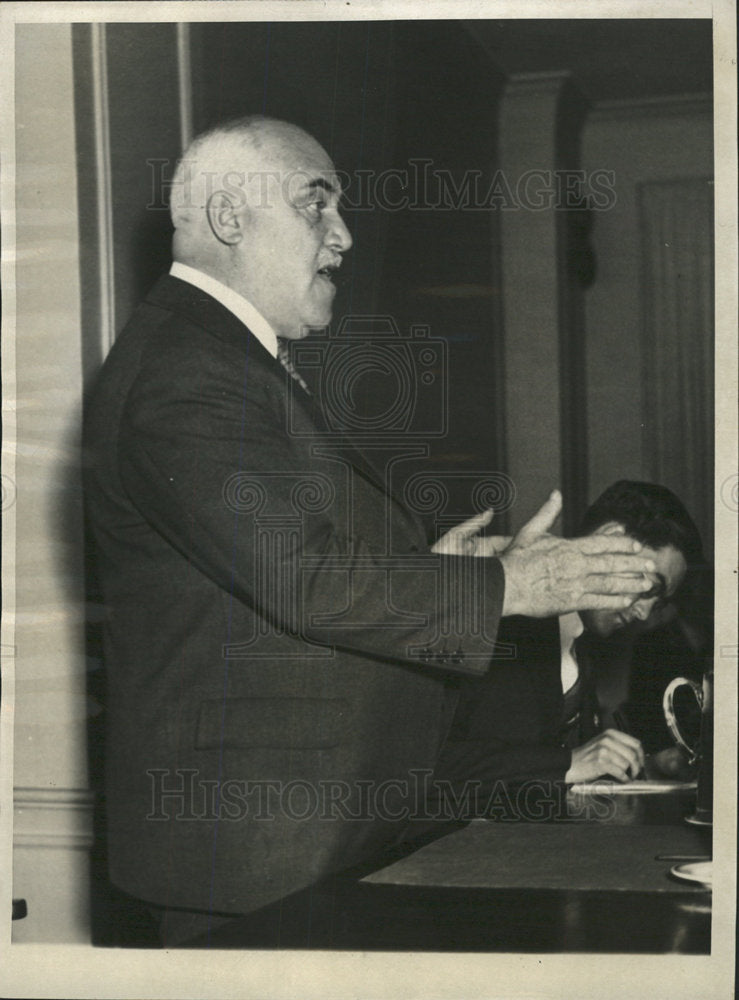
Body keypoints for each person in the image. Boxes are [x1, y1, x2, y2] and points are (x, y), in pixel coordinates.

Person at [83, 116, 659, 945]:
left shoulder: (222, 360)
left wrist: (437, 567)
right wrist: (518, 586)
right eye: (316, 205)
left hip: (300, 839)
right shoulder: (187, 373)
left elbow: (273, 577)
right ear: (228, 218)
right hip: (254, 856)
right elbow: (306, 580)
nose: (344, 236)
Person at [433, 479, 705, 809]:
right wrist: (568, 762)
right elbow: (426, 765)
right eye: (650, 586)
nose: (646, 612)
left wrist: (648, 767)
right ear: (611, 538)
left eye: (659, 602)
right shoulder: (499, 620)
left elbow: (565, 771)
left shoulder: (580, 643)